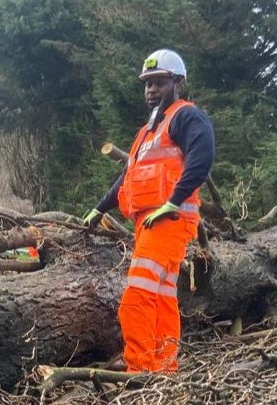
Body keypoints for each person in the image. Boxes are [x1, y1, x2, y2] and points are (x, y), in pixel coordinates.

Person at [84, 49, 215, 373]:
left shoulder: (186, 116)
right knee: (161, 296)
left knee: (137, 296)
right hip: (149, 222)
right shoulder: (145, 134)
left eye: (159, 83)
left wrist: (173, 202)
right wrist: (100, 208)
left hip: (168, 220)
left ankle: (140, 370)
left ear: (177, 82)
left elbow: (203, 155)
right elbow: (127, 177)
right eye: (147, 85)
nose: (151, 90)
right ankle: (164, 368)